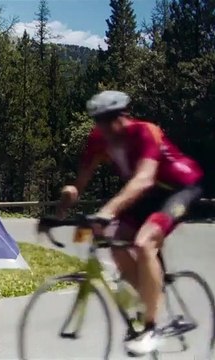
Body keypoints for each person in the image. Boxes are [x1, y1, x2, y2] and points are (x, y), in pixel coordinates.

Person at [56, 90, 203, 356]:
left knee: (144, 243)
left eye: (108, 120)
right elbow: (81, 181)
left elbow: (144, 179)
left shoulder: (145, 132)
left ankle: (151, 326)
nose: (103, 127)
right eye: (98, 120)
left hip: (179, 188)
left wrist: (108, 210)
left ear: (123, 116)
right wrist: (64, 203)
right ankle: (148, 300)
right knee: (115, 244)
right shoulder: (98, 139)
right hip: (147, 196)